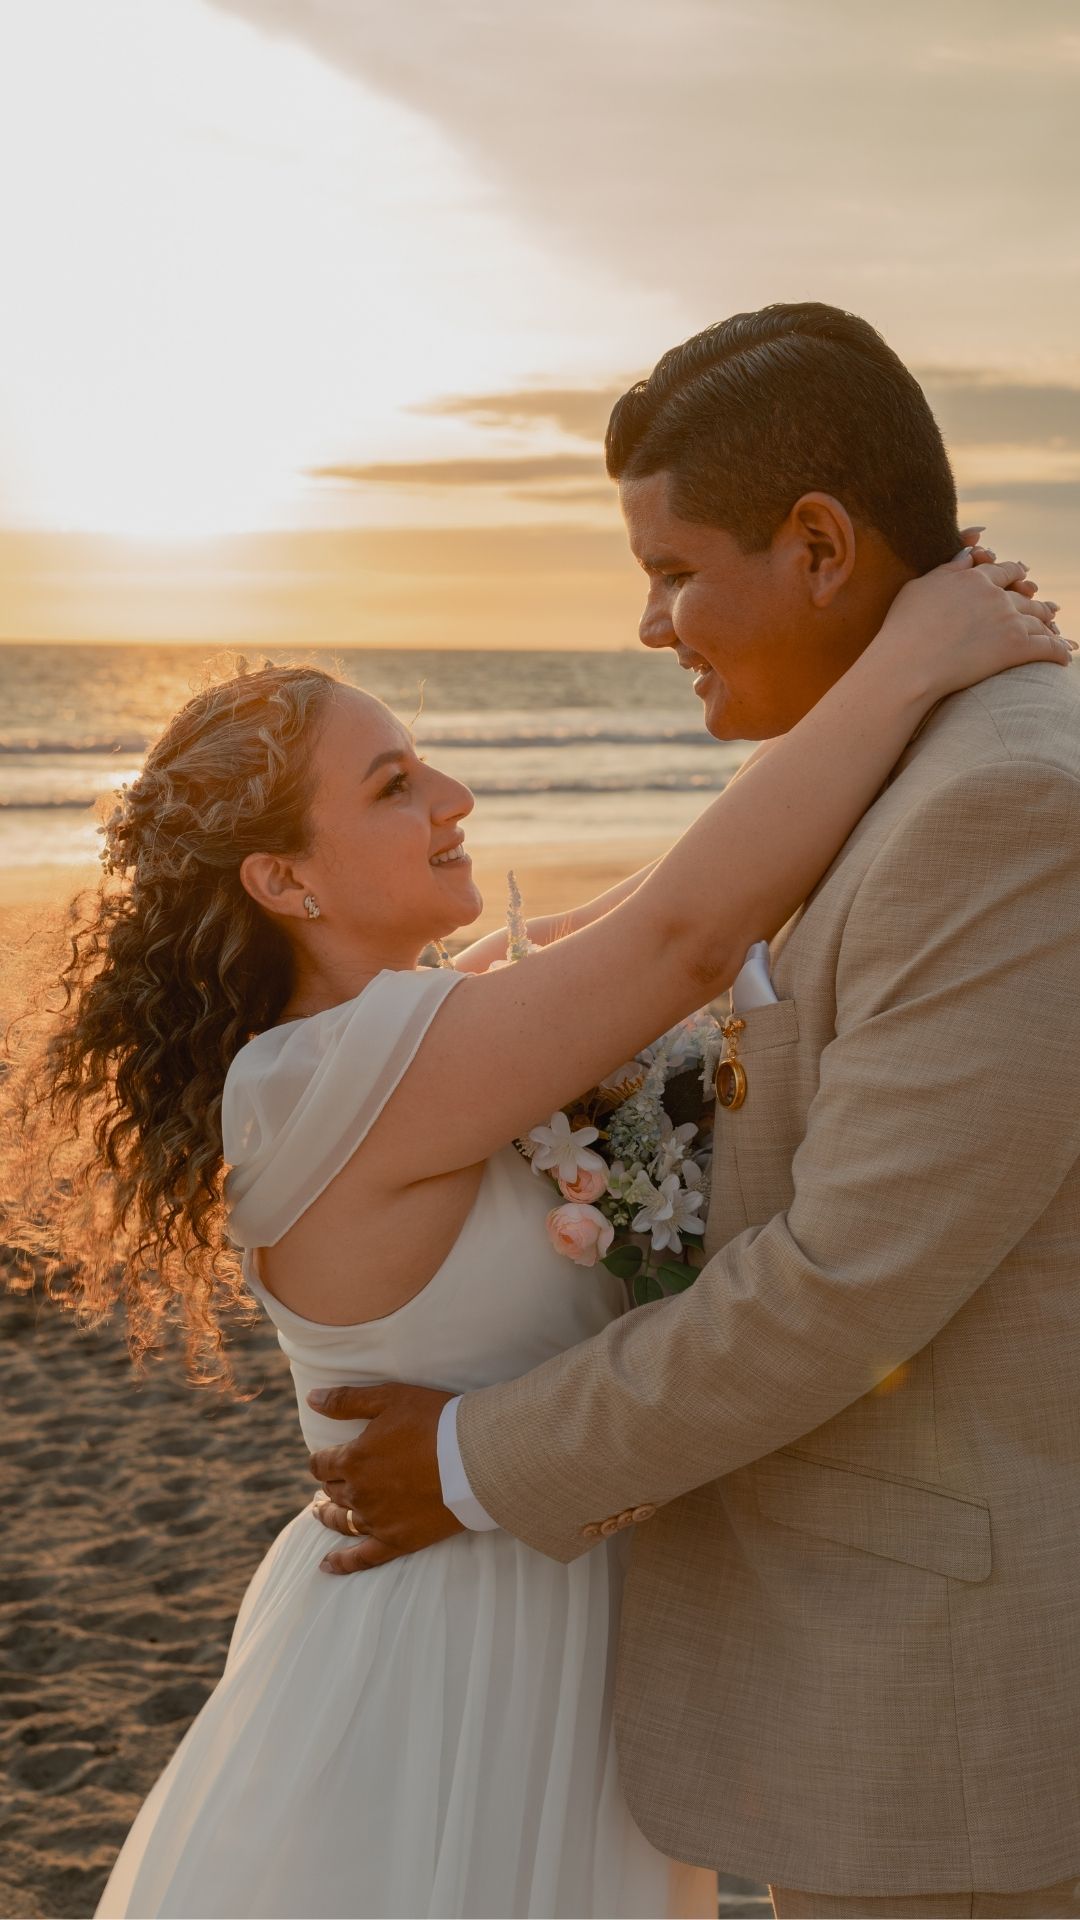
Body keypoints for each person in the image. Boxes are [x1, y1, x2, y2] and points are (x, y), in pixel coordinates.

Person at [12, 508, 1057, 1916]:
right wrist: (915, 653)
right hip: (450, 1656)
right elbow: (684, 933)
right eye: (392, 785)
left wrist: (900, 678)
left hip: (548, 1608)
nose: (453, 793)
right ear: (285, 881)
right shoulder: (325, 1078)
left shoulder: (424, 1028)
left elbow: (667, 911)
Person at [298, 307, 1080, 1920]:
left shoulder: (1001, 804)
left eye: (671, 570)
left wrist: (468, 1458)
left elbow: (843, 1286)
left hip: (945, 1712)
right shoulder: (889, 770)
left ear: (818, 547)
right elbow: (670, 943)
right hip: (869, 1675)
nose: (649, 623)